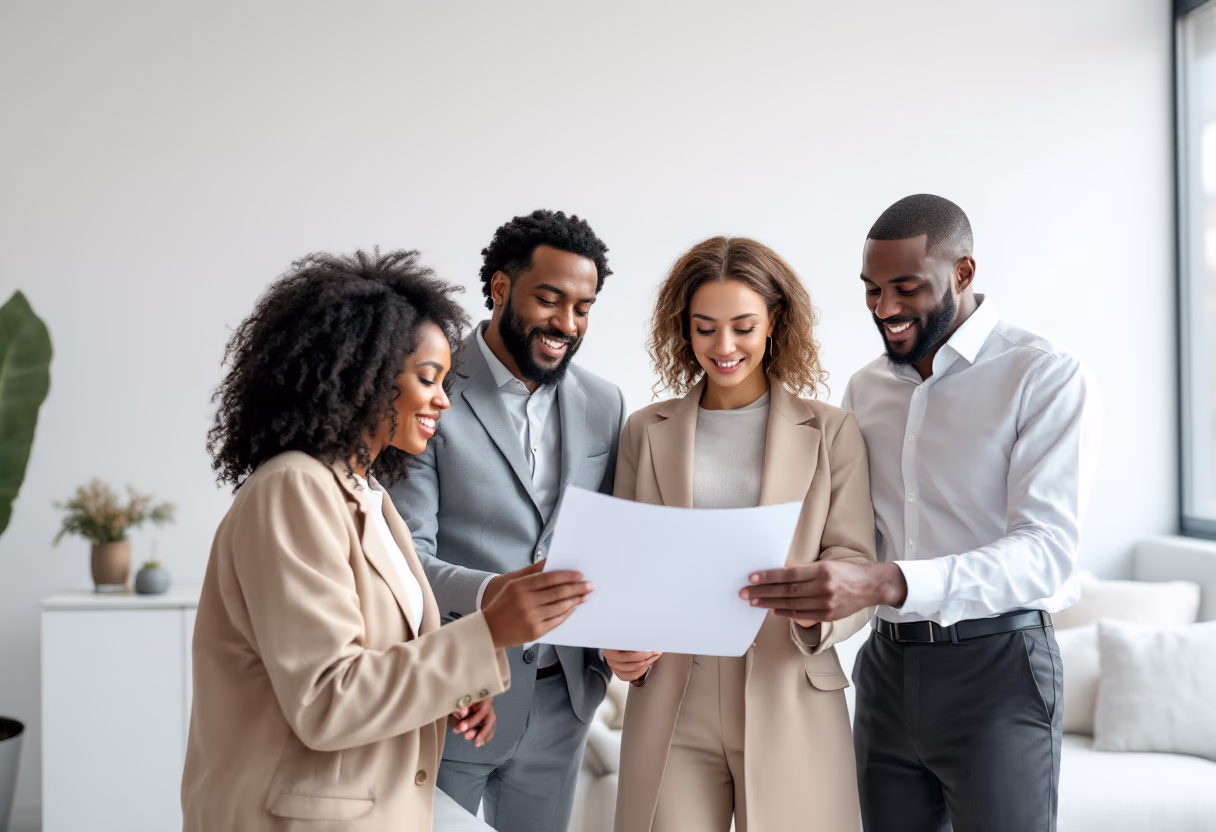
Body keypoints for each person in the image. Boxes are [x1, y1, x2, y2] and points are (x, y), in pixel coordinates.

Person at [182, 250, 593, 831]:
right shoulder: (293, 490)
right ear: (364, 376)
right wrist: (488, 633)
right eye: (428, 379)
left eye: (446, 381)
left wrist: (457, 688)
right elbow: (328, 700)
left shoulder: (369, 496)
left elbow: (379, 655)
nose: (443, 400)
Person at [744, 195, 1097, 832]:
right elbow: (849, 533)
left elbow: (1046, 554)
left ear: (962, 274)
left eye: (906, 288)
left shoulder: (1041, 374)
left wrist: (885, 581)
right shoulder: (865, 389)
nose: (886, 310)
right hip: (886, 667)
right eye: (872, 291)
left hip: (1000, 666)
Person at [606, 236, 877, 832]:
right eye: (705, 328)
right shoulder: (645, 432)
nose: (723, 347)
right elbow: (625, 565)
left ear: (775, 323)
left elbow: (855, 560)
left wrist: (816, 610)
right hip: (673, 700)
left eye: (743, 327)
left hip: (791, 689)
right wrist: (618, 643)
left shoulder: (833, 433)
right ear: (684, 329)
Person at [390, 210, 625, 832]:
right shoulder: (430, 390)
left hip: (565, 696)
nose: (566, 324)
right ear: (499, 289)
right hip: (458, 694)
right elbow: (406, 559)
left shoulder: (606, 403)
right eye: (550, 300)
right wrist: (497, 597)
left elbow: (608, 541)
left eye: (583, 306)